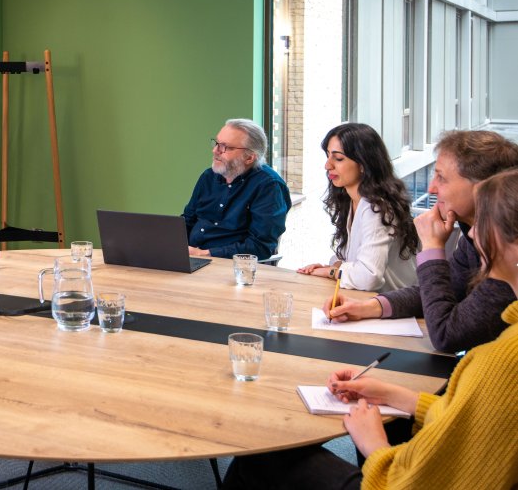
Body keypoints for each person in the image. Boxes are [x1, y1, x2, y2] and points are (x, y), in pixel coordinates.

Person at [223, 168, 518, 490]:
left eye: (482, 226)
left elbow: (410, 483)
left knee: (261, 456)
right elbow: (471, 423)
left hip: (388, 480)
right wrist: (392, 394)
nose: (472, 236)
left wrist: (372, 443)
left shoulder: (501, 359)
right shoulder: (505, 343)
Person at [325, 130, 518, 353]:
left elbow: (447, 335)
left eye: (441, 178)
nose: (431, 188)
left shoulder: (508, 255)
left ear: (483, 188)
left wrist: (433, 248)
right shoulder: (472, 238)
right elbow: (441, 291)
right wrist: (367, 307)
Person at [298, 123, 418, 292]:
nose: (328, 165)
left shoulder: (376, 209)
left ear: (363, 164)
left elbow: (369, 277)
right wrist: (330, 267)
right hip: (370, 303)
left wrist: (333, 272)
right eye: (328, 156)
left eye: (338, 158)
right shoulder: (352, 201)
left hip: (394, 310)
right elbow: (356, 260)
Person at [183, 118, 290, 260]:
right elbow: (188, 220)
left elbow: (260, 246)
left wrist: (205, 253)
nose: (215, 150)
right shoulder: (208, 176)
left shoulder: (269, 186)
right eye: (217, 144)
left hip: (234, 268)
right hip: (192, 258)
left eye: (225, 147)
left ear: (249, 157)